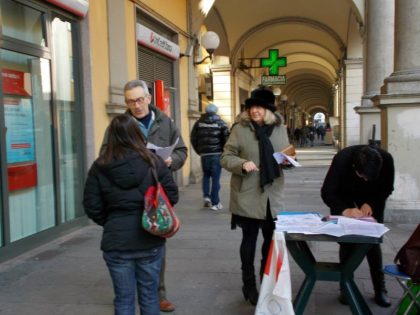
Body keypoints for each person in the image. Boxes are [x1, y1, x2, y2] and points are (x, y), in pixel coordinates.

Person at [101, 80, 187, 312]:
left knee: (156, 242)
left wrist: (172, 161)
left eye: (140, 100)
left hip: (156, 193)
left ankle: (159, 294)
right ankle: (126, 293)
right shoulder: (118, 126)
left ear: (149, 98)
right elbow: (105, 155)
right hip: (127, 194)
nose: (136, 105)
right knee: (126, 245)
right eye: (130, 101)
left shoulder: (165, 122)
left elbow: (181, 150)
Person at [83, 114, 179, 315]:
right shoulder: (153, 161)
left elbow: (91, 205)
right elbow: (172, 195)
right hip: (150, 238)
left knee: (124, 299)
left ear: (112, 136)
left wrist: (110, 222)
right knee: (150, 296)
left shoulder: (99, 166)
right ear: (137, 134)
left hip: (116, 240)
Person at [220, 87, 290, 306]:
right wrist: (242, 163)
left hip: (272, 195)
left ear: (268, 110)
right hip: (248, 194)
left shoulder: (279, 129)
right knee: (249, 241)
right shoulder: (239, 129)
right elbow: (226, 157)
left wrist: (288, 161)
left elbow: (287, 153)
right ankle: (248, 284)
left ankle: (265, 282)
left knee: (270, 243)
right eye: (251, 107)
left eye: (259, 107)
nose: (254, 111)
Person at [321, 145, 395, 307]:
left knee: (373, 243)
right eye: (362, 175)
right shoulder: (342, 160)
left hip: (372, 200)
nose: (365, 180)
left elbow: (387, 188)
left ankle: (380, 288)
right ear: (355, 167)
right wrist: (345, 210)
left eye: (369, 177)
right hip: (345, 199)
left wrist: (371, 204)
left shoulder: (387, 160)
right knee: (346, 241)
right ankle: (345, 287)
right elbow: (328, 192)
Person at [190, 103, 230, 210]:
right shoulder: (221, 123)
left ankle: (206, 197)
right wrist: (224, 151)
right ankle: (215, 203)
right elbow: (227, 139)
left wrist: (199, 151)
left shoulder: (198, 123)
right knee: (216, 179)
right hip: (217, 154)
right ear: (215, 111)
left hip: (204, 155)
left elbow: (193, 138)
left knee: (206, 176)